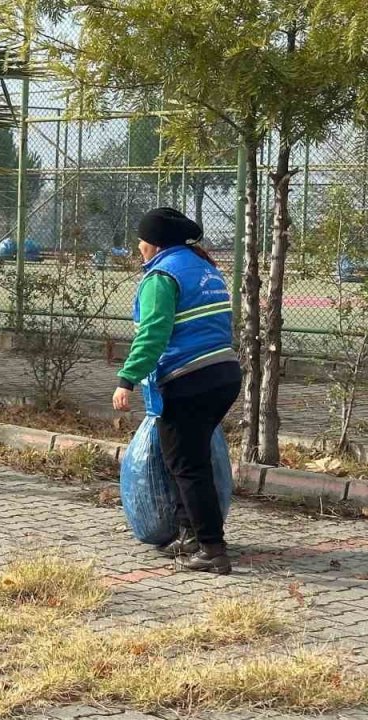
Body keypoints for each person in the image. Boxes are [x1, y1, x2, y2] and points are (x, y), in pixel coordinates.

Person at [113, 207, 241, 575]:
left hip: (190, 379)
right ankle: (190, 534)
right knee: (189, 458)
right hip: (224, 374)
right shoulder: (204, 268)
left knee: (188, 466)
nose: (138, 246)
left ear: (153, 244)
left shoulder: (162, 276)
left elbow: (153, 334)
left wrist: (127, 379)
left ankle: (212, 549)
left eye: (141, 240)